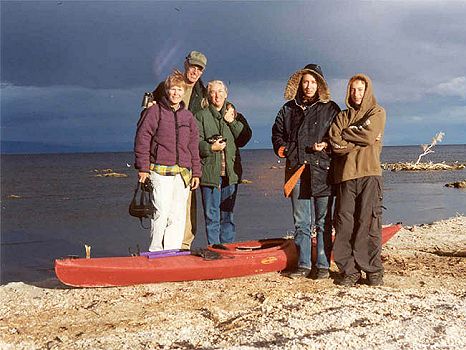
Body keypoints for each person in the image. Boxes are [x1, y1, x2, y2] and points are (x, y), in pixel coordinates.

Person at [272, 64, 341, 279]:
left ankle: (322, 265)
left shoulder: (331, 108)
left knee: (323, 222)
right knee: (301, 222)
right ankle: (303, 264)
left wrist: (328, 145)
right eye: (306, 82)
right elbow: (277, 133)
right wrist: (283, 149)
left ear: (319, 84)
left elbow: (339, 135)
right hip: (297, 170)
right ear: (300, 84)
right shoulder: (288, 109)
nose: (309, 86)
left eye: (313, 82)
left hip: (323, 170)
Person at [145, 50, 208, 249]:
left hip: (188, 157)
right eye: (193, 66)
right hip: (164, 159)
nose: (195, 71)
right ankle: (159, 249)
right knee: (162, 208)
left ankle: (182, 245)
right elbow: (147, 119)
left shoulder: (202, 92)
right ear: (186, 64)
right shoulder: (167, 85)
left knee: (184, 207)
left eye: (199, 69)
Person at [328, 74, 386, 286]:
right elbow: (335, 141)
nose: (356, 93)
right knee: (344, 224)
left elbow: (369, 135)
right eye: (353, 89)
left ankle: (372, 271)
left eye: (360, 89)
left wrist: (349, 136)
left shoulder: (377, 112)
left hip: (370, 174)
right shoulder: (342, 117)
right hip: (345, 177)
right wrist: (358, 138)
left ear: (367, 90)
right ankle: (349, 271)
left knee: (368, 223)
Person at [134, 70, 201, 252]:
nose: (176, 93)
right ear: (166, 90)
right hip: (160, 171)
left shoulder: (188, 116)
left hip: (183, 173)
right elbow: (142, 139)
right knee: (160, 212)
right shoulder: (154, 112)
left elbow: (193, 145)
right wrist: (143, 168)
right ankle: (156, 250)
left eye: (180, 89)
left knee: (178, 214)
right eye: (173, 89)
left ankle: (172, 251)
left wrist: (196, 172)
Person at [195, 80, 252, 245]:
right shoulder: (201, 116)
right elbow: (193, 143)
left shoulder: (235, 114)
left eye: (220, 91)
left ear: (226, 94)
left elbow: (244, 138)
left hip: (230, 174)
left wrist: (231, 122)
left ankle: (227, 248)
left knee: (227, 215)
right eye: (213, 92)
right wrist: (210, 147)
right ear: (208, 95)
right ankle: (214, 249)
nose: (217, 95)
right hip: (210, 174)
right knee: (211, 216)